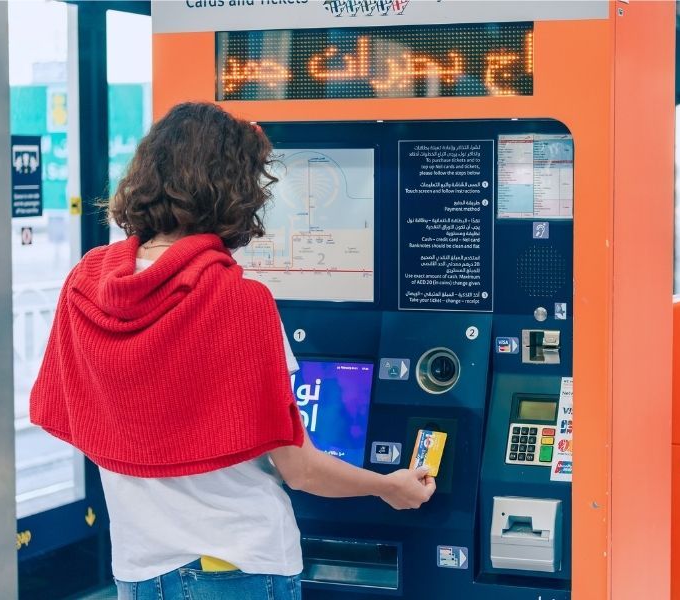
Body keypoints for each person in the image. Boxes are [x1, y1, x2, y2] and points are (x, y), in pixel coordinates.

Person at [30, 102, 435, 600]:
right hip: (238, 565)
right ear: (234, 193)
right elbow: (300, 469)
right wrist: (387, 486)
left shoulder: (85, 288)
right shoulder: (241, 304)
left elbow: (82, 421)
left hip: (138, 569)